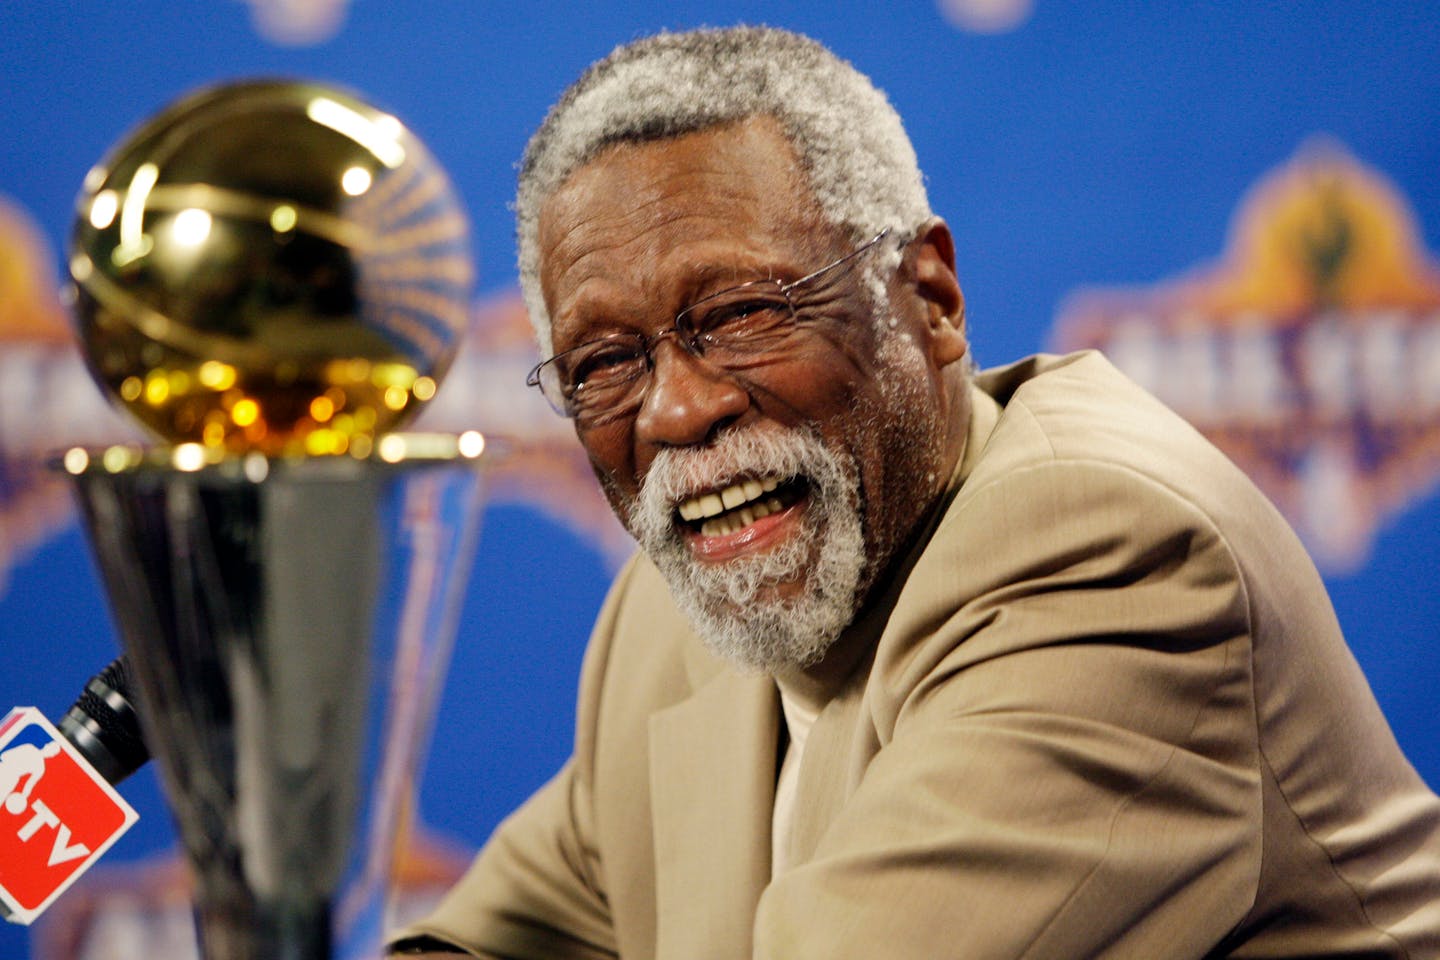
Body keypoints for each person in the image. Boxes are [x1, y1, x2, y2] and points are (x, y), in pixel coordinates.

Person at [391, 26, 1440, 959]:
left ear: (929, 298)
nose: (674, 413)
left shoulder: (1108, 557)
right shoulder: (676, 610)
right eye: (603, 364)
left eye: (744, 312)